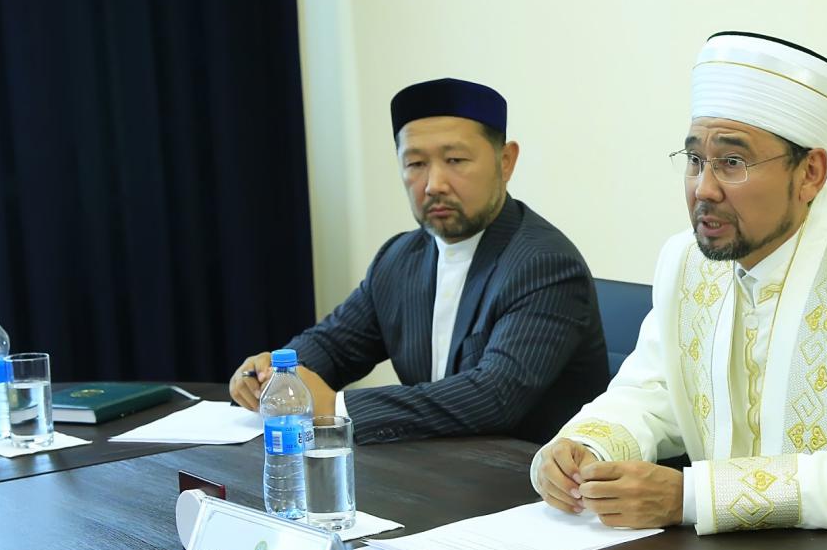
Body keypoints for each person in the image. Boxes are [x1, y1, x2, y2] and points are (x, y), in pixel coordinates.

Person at [531, 31, 827, 542]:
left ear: (810, 174)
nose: (704, 188)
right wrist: (584, 448)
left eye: (732, 163)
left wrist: (687, 496)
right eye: (695, 160)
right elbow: (651, 392)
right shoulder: (686, 260)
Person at [229, 77, 608, 444]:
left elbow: (494, 396)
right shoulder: (399, 258)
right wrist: (274, 374)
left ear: (505, 161)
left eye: (456, 160)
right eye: (415, 164)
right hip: (434, 466)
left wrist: (335, 407)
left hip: (526, 477)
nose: (434, 184)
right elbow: (334, 347)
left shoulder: (545, 264)